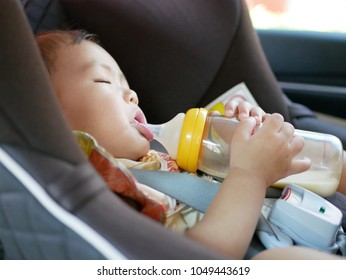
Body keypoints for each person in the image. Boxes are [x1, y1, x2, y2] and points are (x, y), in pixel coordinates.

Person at [35, 29, 344, 260]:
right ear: (47, 115)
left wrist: (243, 133)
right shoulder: (98, 187)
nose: (132, 95)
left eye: (127, 85)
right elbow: (204, 257)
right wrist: (249, 174)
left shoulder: (159, 151)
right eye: (105, 82)